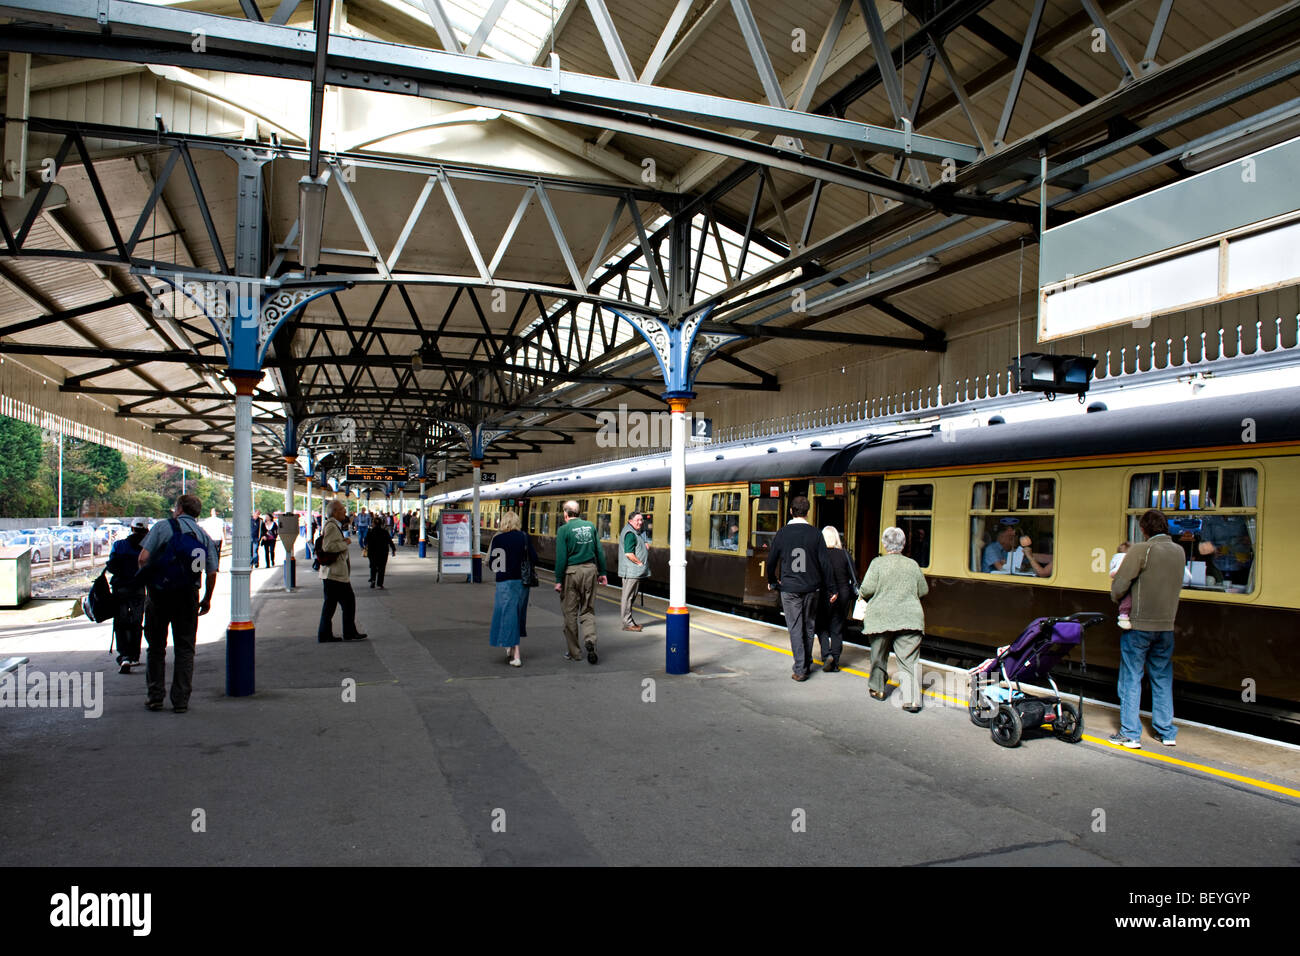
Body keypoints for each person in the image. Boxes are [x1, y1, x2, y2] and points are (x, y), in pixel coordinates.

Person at [1109, 508, 1186, 748]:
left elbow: (1121, 583)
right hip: (1166, 626)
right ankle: (1166, 732)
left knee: (1131, 677)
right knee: (1162, 677)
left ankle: (1130, 734)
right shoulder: (1179, 551)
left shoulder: (1142, 549)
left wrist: (1116, 597)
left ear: (1143, 529)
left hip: (1139, 625)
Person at [136, 494, 219, 713]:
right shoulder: (203, 536)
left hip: (159, 595)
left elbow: (143, 558)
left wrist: (149, 581)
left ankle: (155, 696)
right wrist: (207, 599)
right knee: (185, 648)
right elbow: (211, 572)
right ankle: (180, 700)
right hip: (188, 597)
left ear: (180, 509)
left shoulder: (163, 527)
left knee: (156, 647)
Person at [857, 526, 928, 712]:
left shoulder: (877, 564)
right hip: (910, 617)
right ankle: (911, 700)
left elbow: (866, 590)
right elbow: (923, 590)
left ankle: (878, 689)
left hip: (881, 618)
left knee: (878, 655)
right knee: (909, 660)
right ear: (903, 545)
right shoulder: (912, 564)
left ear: (884, 544)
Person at [767, 496, 833, 681]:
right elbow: (825, 563)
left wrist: (772, 581)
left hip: (789, 587)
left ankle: (800, 669)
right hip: (812, 588)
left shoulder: (782, 533)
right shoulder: (815, 533)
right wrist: (831, 588)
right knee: (809, 626)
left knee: (795, 627)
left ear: (791, 511)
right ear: (808, 512)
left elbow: (771, 561)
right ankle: (807, 662)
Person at [554, 499, 607, 664]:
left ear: (565, 513)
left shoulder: (563, 530)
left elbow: (561, 558)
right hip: (590, 571)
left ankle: (575, 652)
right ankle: (590, 640)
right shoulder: (590, 526)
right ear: (578, 513)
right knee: (588, 610)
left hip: (572, 572)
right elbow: (599, 551)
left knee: (570, 613)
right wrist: (603, 572)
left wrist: (558, 579)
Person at [489, 511, 538, 667]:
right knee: (517, 614)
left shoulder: (498, 539)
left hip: (505, 582)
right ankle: (510, 646)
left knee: (508, 614)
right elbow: (534, 559)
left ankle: (515, 653)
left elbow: (494, 565)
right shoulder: (524, 537)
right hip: (522, 583)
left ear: (503, 522)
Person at [317, 498, 367, 643]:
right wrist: (345, 543)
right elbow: (329, 547)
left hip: (333, 574)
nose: (345, 512)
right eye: (342, 510)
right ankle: (347, 632)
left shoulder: (332, 525)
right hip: (335, 574)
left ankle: (327, 634)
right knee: (347, 603)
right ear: (335, 511)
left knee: (332, 605)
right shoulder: (332, 526)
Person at [106, 518, 150, 674]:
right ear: (146, 530)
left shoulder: (119, 545)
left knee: (121, 622)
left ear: (132, 529)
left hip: (120, 589)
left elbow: (111, 566)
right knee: (137, 622)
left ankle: (124, 656)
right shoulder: (147, 547)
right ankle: (135, 656)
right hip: (138, 589)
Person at [815, 526, 855, 673]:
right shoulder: (845, 555)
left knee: (822, 627)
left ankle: (826, 657)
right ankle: (836, 662)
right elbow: (853, 575)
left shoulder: (819, 555)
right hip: (842, 596)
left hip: (824, 595)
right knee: (837, 629)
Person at [618, 511, 650, 631]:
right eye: (638, 520)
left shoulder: (634, 532)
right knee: (628, 597)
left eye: (641, 520)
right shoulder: (630, 533)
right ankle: (628, 623)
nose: (640, 522)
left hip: (634, 571)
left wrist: (644, 543)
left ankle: (629, 622)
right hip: (631, 571)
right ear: (630, 521)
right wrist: (640, 563)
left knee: (630, 597)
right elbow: (629, 553)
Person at [366, 518, 396, 589]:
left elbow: (366, 541)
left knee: (373, 567)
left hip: (372, 552)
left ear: (373, 523)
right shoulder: (385, 532)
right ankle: (380, 583)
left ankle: (373, 580)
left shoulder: (370, 532)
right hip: (383, 552)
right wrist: (393, 549)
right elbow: (390, 541)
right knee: (381, 568)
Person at [1109, 541, 1133, 628]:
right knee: (1127, 600)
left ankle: (1123, 615)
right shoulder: (1126, 558)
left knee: (1124, 600)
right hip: (1125, 582)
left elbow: (1112, 570)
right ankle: (1123, 617)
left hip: (1116, 583)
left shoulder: (1115, 558)